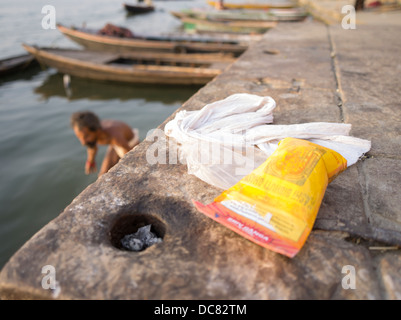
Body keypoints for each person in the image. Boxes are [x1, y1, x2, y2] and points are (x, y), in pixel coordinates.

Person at [70, 111, 139, 176]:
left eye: (86, 136)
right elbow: (92, 148)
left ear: (96, 130)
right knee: (102, 175)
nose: (83, 142)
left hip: (129, 143)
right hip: (115, 144)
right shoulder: (93, 135)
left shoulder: (113, 136)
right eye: (79, 137)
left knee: (127, 168)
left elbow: (131, 156)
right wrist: (90, 161)